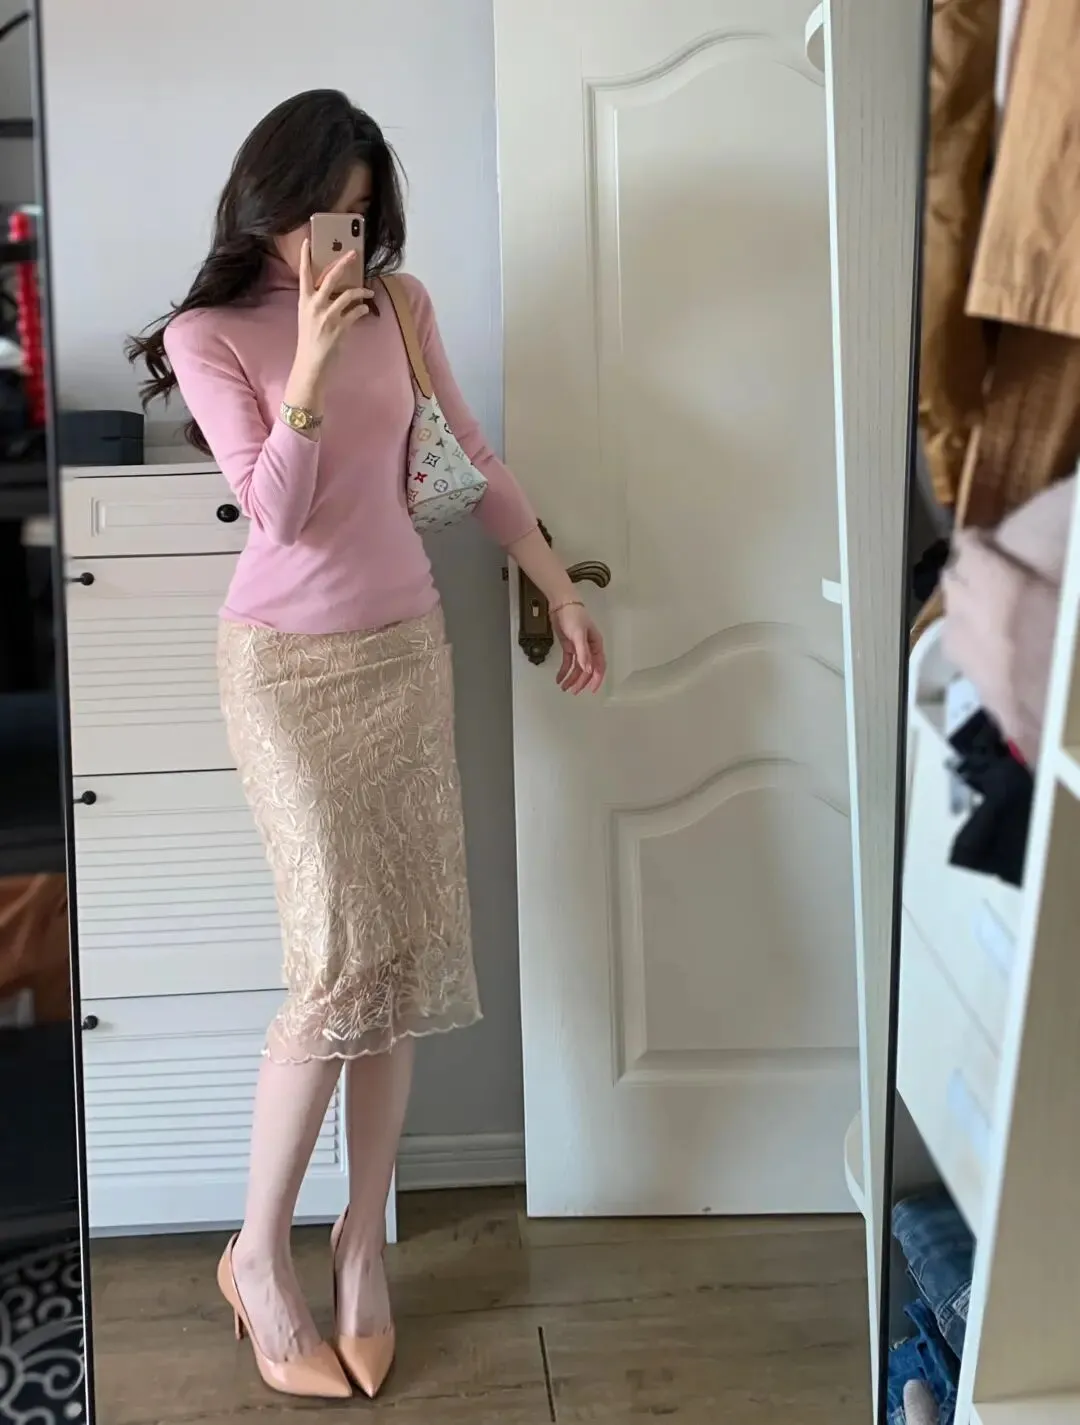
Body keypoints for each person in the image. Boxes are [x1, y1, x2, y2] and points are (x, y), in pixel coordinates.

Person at [127, 88, 605, 1401]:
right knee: (336, 963)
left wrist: (558, 590)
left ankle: (358, 1247)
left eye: (356, 212)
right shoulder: (208, 335)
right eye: (315, 211)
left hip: (406, 654)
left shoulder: (405, 305)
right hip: (285, 675)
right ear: (265, 205)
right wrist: (312, 368)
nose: (332, 239)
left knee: (397, 962)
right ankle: (256, 1255)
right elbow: (275, 517)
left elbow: (472, 462)